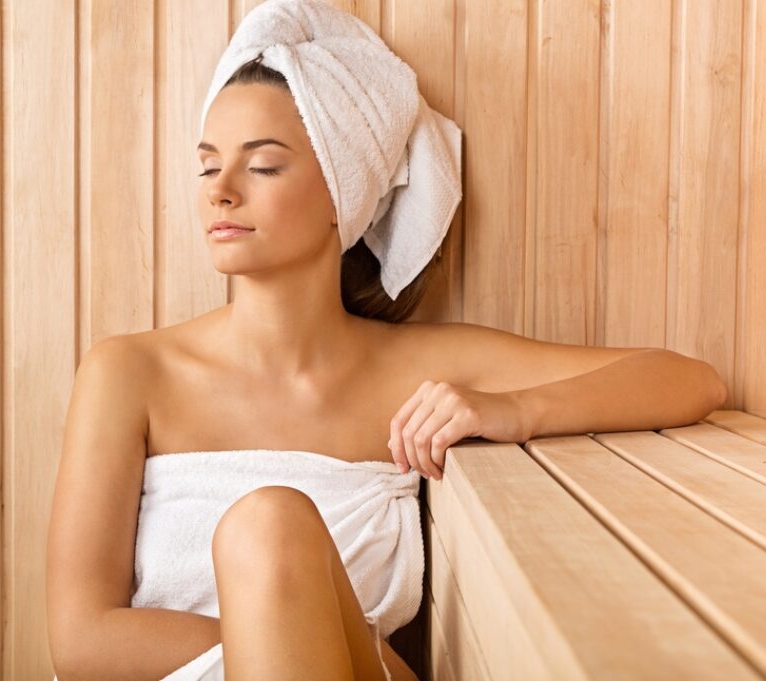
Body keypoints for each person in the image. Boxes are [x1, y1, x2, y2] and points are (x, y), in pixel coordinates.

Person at [45, 5, 727, 681]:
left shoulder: (417, 369)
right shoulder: (129, 372)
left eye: (263, 166)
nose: (220, 191)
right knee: (268, 528)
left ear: (344, 194)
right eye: (207, 166)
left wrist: (512, 410)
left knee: (270, 526)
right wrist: (284, 635)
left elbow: (689, 380)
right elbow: (80, 640)